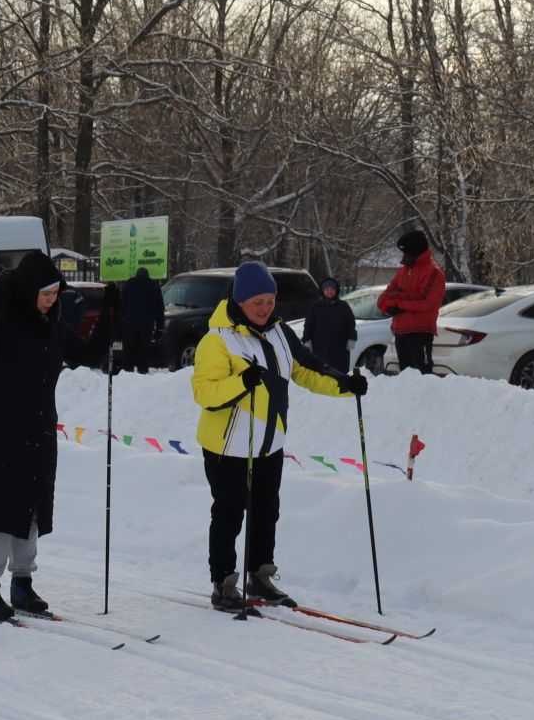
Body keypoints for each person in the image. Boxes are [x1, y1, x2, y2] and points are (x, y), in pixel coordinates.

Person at [192, 260, 365, 610]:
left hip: (269, 444)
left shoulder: (280, 333)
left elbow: (307, 370)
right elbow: (204, 394)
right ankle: (223, 582)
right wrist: (241, 383)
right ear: (240, 301)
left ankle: (259, 575)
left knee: (266, 511)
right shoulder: (218, 340)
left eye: (270, 301)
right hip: (228, 447)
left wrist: (346, 385)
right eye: (258, 302)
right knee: (229, 514)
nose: (265, 308)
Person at [0, 251, 109, 622]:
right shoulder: (2, 321)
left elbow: (87, 354)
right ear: (27, 292)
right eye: (46, 294)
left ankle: (22, 582)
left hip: (38, 430)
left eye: (56, 294)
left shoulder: (52, 326)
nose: (52, 301)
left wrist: (109, 316)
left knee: (32, 508)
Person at [378, 230, 445, 376]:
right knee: (406, 378)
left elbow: (424, 300)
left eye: (405, 253)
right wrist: (387, 307)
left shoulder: (433, 273)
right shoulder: (404, 271)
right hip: (400, 332)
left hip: (420, 333)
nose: (402, 257)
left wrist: (396, 300)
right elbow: (384, 296)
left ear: (415, 252)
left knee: (423, 376)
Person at [304, 277, 357, 374]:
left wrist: (351, 338)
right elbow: (308, 325)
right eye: (327, 289)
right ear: (323, 291)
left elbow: (351, 323)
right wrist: (307, 340)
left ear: (336, 290)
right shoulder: (315, 307)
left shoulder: (343, 306)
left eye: (332, 289)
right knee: (323, 373)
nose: (330, 292)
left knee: (340, 373)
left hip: (340, 348)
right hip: (320, 348)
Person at [120, 266, 164, 373]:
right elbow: (159, 308)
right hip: (147, 325)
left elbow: (122, 305)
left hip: (130, 324)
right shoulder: (154, 286)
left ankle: (127, 372)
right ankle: (142, 371)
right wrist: (159, 328)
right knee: (144, 350)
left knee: (129, 350)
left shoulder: (129, 284)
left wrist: (122, 321)